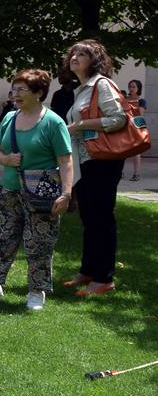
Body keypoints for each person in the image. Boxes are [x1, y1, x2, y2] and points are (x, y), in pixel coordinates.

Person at [0, 69, 73, 311]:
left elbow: (66, 161)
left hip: (41, 193)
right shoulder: (9, 118)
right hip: (8, 189)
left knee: (38, 243)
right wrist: (6, 160)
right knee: (0, 239)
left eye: (21, 90)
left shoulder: (53, 122)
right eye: (13, 89)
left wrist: (66, 193)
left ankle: (37, 292)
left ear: (38, 93)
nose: (15, 94)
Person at [62, 40, 129, 297]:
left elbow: (119, 118)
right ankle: (88, 271)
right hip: (86, 161)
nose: (75, 57)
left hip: (103, 161)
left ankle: (104, 278)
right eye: (73, 54)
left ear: (95, 60)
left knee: (101, 218)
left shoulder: (102, 84)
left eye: (82, 54)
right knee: (89, 217)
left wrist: (80, 126)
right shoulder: (82, 89)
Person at [125, 80, 146, 181]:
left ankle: (136, 174)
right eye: (130, 87)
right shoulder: (124, 99)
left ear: (138, 89)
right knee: (121, 150)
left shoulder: (141, 101)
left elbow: (140, 115)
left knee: (136, 152)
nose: (131, 89)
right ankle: (120, 172)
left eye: (133, 87)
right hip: (124, 127)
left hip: (135, 127)